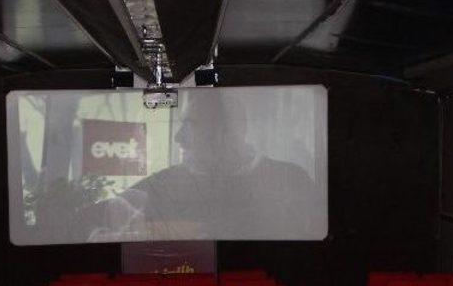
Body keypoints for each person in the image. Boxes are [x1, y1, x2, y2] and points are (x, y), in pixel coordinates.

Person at [85, 91, 323, 241]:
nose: (178, 137)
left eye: (191, 125)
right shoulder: (161, 185)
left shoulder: (292, 181)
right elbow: (93, 224)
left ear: (229, 131)